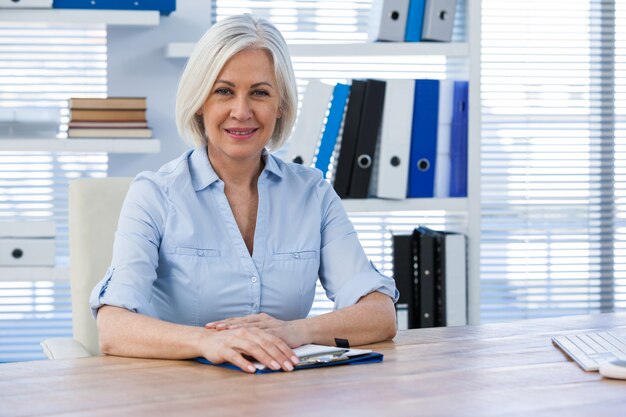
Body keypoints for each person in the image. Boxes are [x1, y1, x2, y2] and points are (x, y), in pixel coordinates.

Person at [90, 14, 398, 374]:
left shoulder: (312, 193)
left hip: (285, 392)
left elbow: (379, 314)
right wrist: (210, 341)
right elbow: (112, 327)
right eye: (224, 91)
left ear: (280, 105)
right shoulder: (154, 195)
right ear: (200, 101)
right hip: (179, 395)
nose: (242, 111)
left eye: (260, 93)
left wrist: (295, 331)